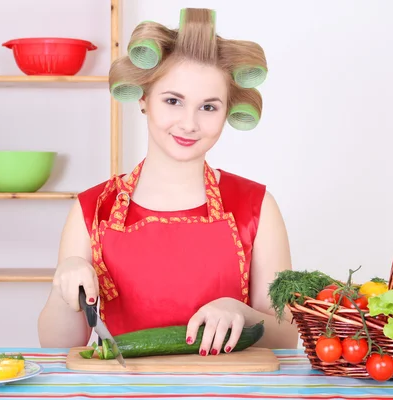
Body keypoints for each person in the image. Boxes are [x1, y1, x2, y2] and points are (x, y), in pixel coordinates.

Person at [38, 7, 298, 354]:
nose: (189, 123)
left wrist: (243, 313)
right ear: (143, 99)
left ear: (227, 112)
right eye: (173, 101)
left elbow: (289, 336)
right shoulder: (93, 209)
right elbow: (58, 346)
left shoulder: (256, 206)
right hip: (123, 390)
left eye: (209, 107)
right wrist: (64, 282)